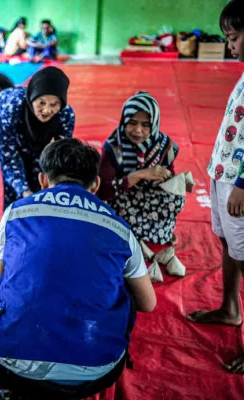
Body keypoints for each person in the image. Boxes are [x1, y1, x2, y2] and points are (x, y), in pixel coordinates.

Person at [0, 139, 155, 398]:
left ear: (42, 180)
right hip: (96, 371)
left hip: (11, 364)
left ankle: (13, 386)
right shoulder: (118, 227)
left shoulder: (15, 213)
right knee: (127, 290)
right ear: (95, 184)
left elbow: (0, 283)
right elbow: (148, 303)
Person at [187, 0, 244, 374]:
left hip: (239, 182)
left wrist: (242, 183)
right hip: (223, 172)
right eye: (227, 37)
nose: (231, 45)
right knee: (227, 243)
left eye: (235, 37)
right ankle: (229, 307)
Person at [98, 91, 184, 246]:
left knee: (175, 197)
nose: (138, 130)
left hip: (150, 204)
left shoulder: (164, 146)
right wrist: (139, 175)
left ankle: (151, 235)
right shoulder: (113, 147)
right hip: (122, 203)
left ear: (155, 124)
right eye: (132, 122)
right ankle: (134, 236)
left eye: (146, 125)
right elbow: (102, 190)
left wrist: (168, 177)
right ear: (124, 121)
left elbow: (170, 181)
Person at [0, 66, 75, 208]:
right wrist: (25, 192)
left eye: (54, 104)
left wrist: (56, 187)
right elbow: (10, 158)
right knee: (15, 183)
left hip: (36, 132)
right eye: (41, 103)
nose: (47, 110)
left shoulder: (66, 115)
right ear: (32, 99)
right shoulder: (11, 110)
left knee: (38, 168)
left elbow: (60, 154)